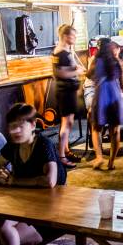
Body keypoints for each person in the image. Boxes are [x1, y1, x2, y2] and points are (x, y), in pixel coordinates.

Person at [0, 104, 66, 245]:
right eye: (11, 127)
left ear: (33, 125)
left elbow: (50, 181)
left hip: (50, 211)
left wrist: (13, 181)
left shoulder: (43, 144)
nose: (14, 131)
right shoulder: (13, 147)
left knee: (4, 234)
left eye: (20, 126)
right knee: (0, 225)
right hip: (25, 205)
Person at [89, 38, 123, 170]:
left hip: (101, 96)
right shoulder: (117, 62)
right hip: (115, 98)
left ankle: (99, 157)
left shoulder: (95, 60)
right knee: (115, 131)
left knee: (96, 129)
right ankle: (111, 162)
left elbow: (89, 76)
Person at [52, 24, 86, 169]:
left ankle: (65, 150)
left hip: (68, 91)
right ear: (65, 36)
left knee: (68, 123)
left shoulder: (65, 52)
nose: (75, 38)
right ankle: (61, 156)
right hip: (65, 92)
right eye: (73, 35)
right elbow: (59, 73)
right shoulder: (60, 53)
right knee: (66, 124)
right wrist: (77, 71)